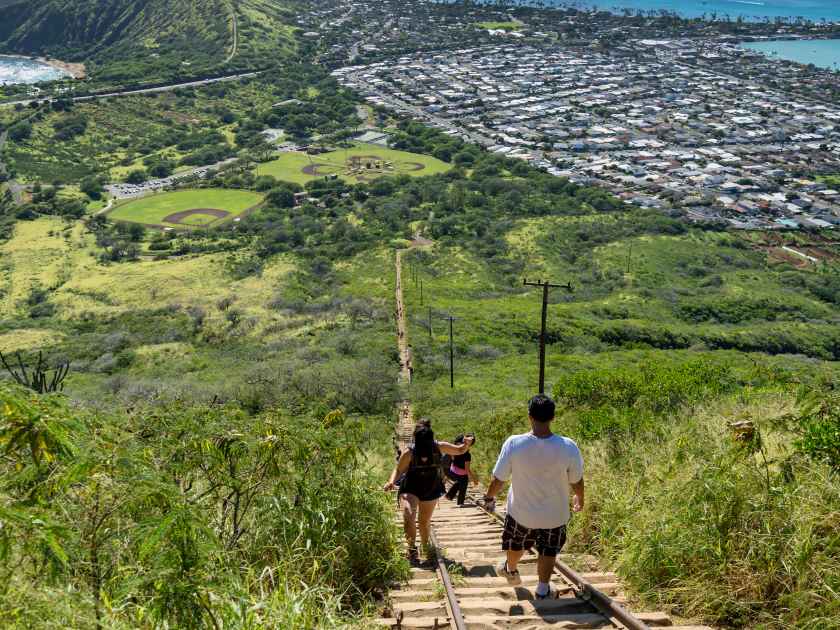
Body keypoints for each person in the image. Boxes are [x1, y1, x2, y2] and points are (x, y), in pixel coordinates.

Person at [480, 394, 584, 600]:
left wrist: (489, 497)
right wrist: (580, 498)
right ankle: (543, 588)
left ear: (529, 416)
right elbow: (577, 480)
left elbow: (498, 479)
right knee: (549, 550)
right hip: (555, 515)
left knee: (516, 543)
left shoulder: (514, 443)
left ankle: (511, 568)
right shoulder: (568, 446)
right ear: (553, 417)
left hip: (521, 513)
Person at [384, 422, 474, 563]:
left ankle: (425, 547)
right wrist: (391, 481)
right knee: (408, 515)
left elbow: (460, 450)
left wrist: (467, 443)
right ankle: (412, 549)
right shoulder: (410, 452)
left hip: (430, 487)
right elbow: (398, 469)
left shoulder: (439, 446)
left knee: (424, 522)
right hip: (411, 487)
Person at [444, 433, 479, 506]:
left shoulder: (457, 449)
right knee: (464, 482)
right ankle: (460, 502)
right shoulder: (467, 455)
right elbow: (467, 469)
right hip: (460, 473)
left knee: (460, 481)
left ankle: (449, 495)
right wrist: (474, 478)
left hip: (452, 470)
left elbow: (452, 457)